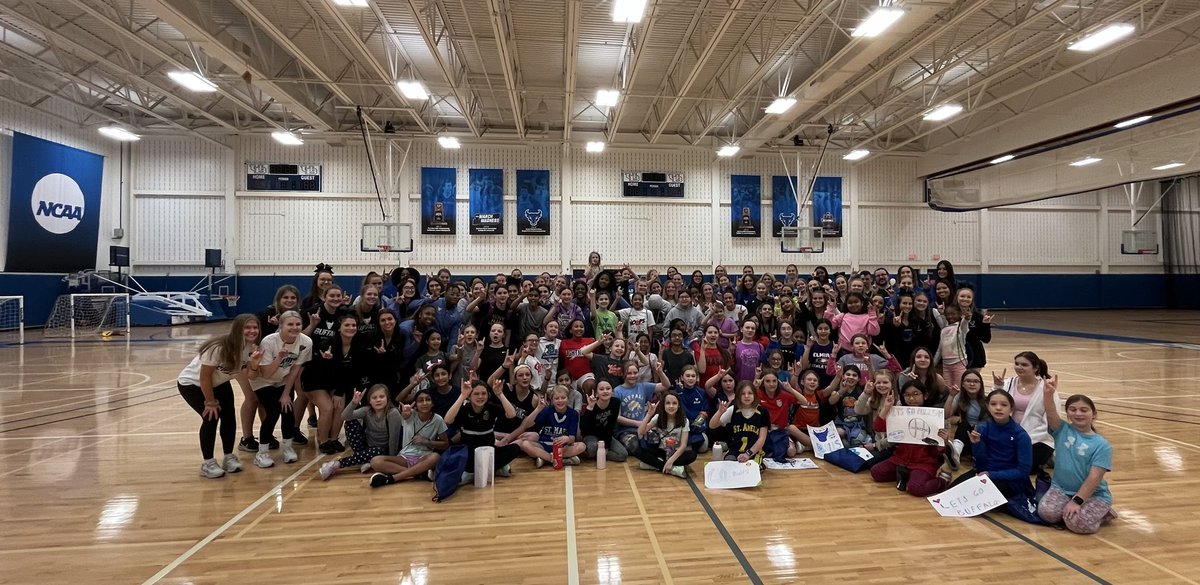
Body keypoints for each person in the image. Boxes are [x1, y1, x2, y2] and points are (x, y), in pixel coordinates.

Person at [177, 314, 259, 478]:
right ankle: (208, 463)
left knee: (229, 417)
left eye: (255, 327)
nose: (252, 331)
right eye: (247, 328)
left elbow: (251, 376)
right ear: (238, 330)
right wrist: (210, 402)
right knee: (211, 417)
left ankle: (228, 457)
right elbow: (204, 377)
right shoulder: (218, 347)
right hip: (193, 384)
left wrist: (255, 365)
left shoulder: (251, 348)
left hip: (219, 383)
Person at [1037, 383, 1117, 533]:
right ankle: (1068, 507)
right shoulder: (1062, 430)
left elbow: (1094, 478)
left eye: (1083, 410)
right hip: (1061, 489)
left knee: (1077, 524)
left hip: (1093, 495)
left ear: (1094, 414)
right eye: (1073, 410)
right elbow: (1050, 413)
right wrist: (1048, 394)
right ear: (1067, 414)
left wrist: (1077, 501)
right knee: (1047, 514)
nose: (1078, 413)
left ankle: (1104, 513)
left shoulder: (1102, 445)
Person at [248, 311, 313, 468]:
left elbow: (295, 370)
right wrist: (280, 358)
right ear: (281, 326)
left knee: (287, 409)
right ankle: (261, 453)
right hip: (263, 380)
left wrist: (286, 394)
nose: (295, 327)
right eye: (290, 324)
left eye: (298, 324)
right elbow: (266, 373)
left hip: (283, 379)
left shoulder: (306, 342)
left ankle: (288, 448)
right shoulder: (269, 342)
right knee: (272, 411)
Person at [869, 380, 950, 496]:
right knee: (876, 472)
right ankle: (907, 475)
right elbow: (877, 427)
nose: (911, 399)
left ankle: (942, 482)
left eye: (916, 394)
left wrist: (943, 442)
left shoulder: (933, 416)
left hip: (924, 463)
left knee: (916, 488)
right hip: (900, 460)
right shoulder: (899, 413)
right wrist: (886, 407)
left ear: (925, 395)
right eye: (907, 395)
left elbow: (936, 452)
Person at [994, 351, 1059, 476]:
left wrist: (1025, 437)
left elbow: (1052, 421)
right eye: (1017, 363)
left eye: (1024, 364)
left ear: (1035, 368)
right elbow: (995, 404)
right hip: (1010, 433)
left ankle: (1049, 456)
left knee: (1026, 467)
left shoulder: (1046, 388)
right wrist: (997, 387)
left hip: (1038, 438)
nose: (1019, 367)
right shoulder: (1009, 383)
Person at [445, 379, 521, 484]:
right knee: (456, 457)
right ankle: (489, 469)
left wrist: (499, 394)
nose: (480, 397)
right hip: (469, 454)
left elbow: (512, 414)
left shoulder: (492, 408)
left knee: (515, 448)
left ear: (488, 395)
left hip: (488, 452)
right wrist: (462, 395)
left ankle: (480, 471)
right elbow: (447, 420)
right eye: (476, 394)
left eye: (483, 393)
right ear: (469, 396)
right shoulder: (464, 409)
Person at [319, 384, 402, 480]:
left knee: (377, 451)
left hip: (383, 450)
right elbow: (344, 417)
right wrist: (353, 403)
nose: (378, 400)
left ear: (387, 398)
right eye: (374, 398)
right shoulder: (367, 411)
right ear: (370, 401)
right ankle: (363, 459)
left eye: (381, 397)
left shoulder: (393, 413)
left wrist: (390, 460)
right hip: (366, 446)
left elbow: (394, 439)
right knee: (350, 423)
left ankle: (336, 464)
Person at [369, 390, 448, 487]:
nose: (424, 403)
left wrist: (426, 441)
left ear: (432, 403)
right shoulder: (410, 414)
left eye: (428, 400)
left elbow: (445, 444)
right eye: (420, 400)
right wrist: (405, 412)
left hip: (424, 458)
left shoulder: (438, 419)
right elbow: (405, 415)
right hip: (404, 457)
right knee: (375, 461)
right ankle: (418, 474)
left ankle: (393, 478)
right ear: (415, 405)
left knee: (436, 457)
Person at [500, 385, 586, 469]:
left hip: (561, 447)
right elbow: (530, 424)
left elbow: (572, 439)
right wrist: (538, 409)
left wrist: (567, 438)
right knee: (525, 444)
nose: (560, 401)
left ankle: (544, 458)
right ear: (552, 400)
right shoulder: (547, 410)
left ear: (568, 399)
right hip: (544, 445)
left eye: (563, 398)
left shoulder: (573, 414)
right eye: (556, 398)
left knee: (582, 446)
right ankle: (553, 459)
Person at [634, 390, 696, 478]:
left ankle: (655, 465)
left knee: (692, 455)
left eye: (674, 403)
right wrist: (649, 414)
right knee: (637, 451)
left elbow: (683, 445)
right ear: (663, 405)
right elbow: (640, 433)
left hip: (675, 453)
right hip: (661, 451)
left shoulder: (684, 421)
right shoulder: (658, 418)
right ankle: (673, 470)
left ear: (678, 405)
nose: (671, 406)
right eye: (668, 403)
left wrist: (671, 461)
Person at [709, 382, 768, 462]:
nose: (746, 396)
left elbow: (762, 439)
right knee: (730, 464)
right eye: (743, 394)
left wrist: (748, 454)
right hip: (735, 451)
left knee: (750, 470)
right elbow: (712, 425)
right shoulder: (733, 409)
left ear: (755, 395)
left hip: (753, 452)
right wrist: (719, 412)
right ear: (738, 396)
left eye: (750, 393)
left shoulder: (763, 412)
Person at [581, 380, 628, 462]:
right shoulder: (592, 404)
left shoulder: (615, 403)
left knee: (623, 455)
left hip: (606, 435)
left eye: (608, 388)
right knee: (593, 448)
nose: (605, 391)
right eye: (601, 389)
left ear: (612, 391)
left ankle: (600, 454)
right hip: (591, 435)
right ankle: (588, 453)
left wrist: (606, 446)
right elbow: (583, 428)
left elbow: (611, 426)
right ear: (596, 393)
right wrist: (590, 408)